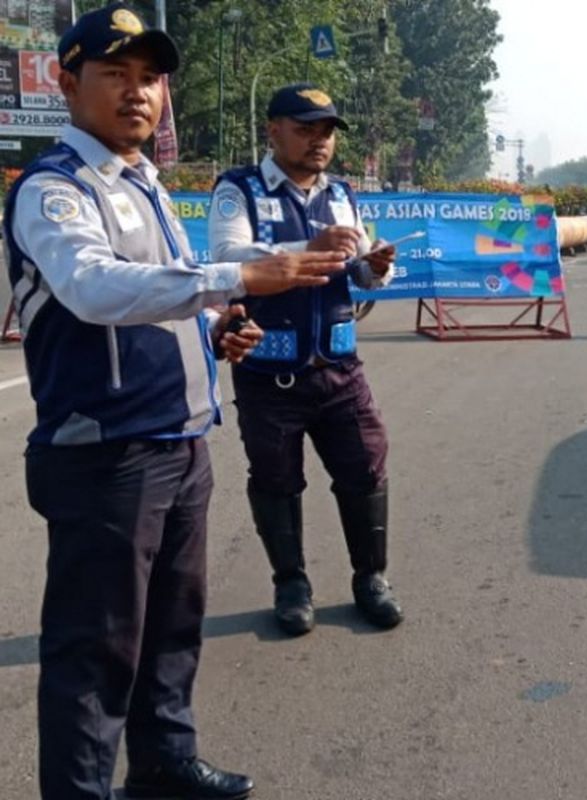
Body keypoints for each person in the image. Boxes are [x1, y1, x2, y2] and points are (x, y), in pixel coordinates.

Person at [6, 5, 347, 798]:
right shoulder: (54, 189)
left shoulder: (148, 185)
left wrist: (217, 327)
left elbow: (168, 298)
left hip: (182, 444)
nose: (138, 94)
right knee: (95, 656)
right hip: (106, 456)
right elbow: (92, 288)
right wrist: (233, 279)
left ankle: (162, 763)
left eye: (149, 79)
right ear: (67, 82)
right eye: (114, 75)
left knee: (171, 632)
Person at [209, 84, 403, 637]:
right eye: (306, 129)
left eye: (327, 132)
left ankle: (371, 579)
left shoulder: (342, 193)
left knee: (366, 467)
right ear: (274, 131)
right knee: (276, 479)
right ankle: (290, 583)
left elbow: (360, 275)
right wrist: (307, 247)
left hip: (341, 369)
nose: (320, 141)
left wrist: (375, 267)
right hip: (270, 372)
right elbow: (225, 259)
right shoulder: (238, 189)